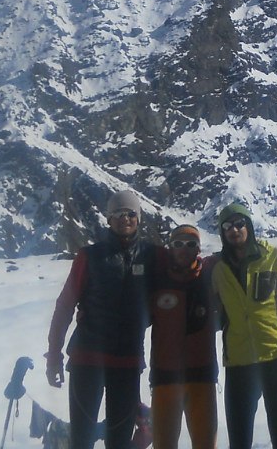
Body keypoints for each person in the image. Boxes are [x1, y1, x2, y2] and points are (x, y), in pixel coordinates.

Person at [47, 190, 156, 449]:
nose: (125, 219)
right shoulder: (89, 257)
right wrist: (54, 354)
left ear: (139, 218)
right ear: (108, 219)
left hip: (127, 362)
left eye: (131, 213)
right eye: (118, 214)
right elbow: (64, 307)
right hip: (87, 359)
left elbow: (182, 270)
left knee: (119, 439)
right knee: (82, 438)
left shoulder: (151, 257)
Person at [212, 202, 277, 449]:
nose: (234, 230)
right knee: (239, 440)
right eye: (227, 226)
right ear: (222, 233)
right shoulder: (218, 269)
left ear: (249, 226)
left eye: (239, 224)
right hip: (239, 363)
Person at [148, 224, 218, 449]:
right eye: (178, 244)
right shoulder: (156, 280)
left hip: (203, 376)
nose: (184, 249)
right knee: (164, 444)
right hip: (165, 378)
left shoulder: (209, 275)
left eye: (191, 244)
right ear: (170, 247)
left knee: (205, 444)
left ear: (198, 249)